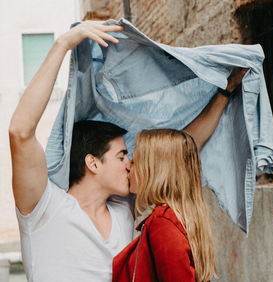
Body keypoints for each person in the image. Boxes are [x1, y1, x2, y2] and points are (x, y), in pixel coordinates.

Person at [9, 21, 247, 281]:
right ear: (93, 163)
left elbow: (179, 151)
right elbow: (20, 133)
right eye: (122, 156)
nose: (130, 163)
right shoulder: (45, 206)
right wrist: (63, 44)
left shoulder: (123, 209)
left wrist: (226, 92)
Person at [113, 129, 216, 282]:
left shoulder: (162, 222)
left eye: (134, 161)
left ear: (153, 171)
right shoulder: (176, 218)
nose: (128, 167)